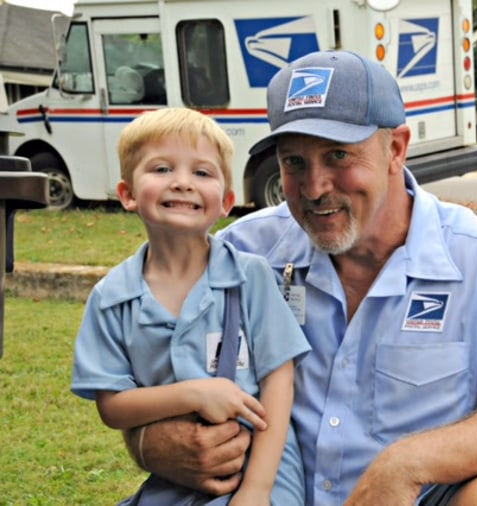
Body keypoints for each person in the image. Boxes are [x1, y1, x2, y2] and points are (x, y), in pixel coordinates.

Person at [125, 51, 477, 505]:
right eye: (294, 162)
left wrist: (407, 464)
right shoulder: (240, 253)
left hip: (413, 500)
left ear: (395, 149)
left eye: (338, 156)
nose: (315, 187)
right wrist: (153, 442)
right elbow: (145, 377)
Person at [71, 108, 311, 505]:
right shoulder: (112, 297)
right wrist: (194, 394)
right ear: (128, 194)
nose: (182, 183)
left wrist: (256, 491)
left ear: (227, 202)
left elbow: (279, 382)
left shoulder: (250, 277)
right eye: (162, 169)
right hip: (176, 476)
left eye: (202, 173)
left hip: (257, 469)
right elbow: (112, 405)